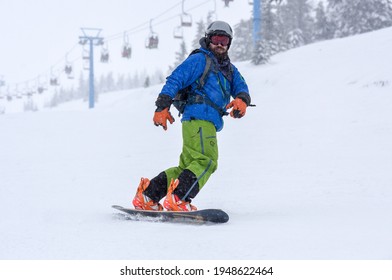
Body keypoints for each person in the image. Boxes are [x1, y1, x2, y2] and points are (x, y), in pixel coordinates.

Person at [132, 20, 251, 211]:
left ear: (229, 43)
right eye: (216, 38)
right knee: (207, 161)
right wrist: (162, 105)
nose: (220, 44)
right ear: (207, 39)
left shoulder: (229, 69)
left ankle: (148, 196)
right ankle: (179, 198)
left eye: (224, 40)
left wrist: (242, 100)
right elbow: (176, 79)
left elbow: (241, 87)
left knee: (185, 167)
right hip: (200, 119)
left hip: (198, 123)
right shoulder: (200, 60)